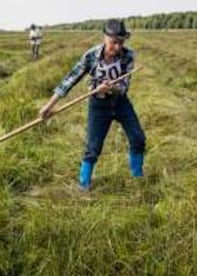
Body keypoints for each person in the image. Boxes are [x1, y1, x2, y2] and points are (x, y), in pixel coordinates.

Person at [39, 19, 146, 191]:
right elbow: (69, 80)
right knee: (93, 147)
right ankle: (84, 185)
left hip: (121, 103)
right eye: (114, 42)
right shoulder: (91, 56)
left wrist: (112, 88)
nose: (117, 47)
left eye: (121, 43)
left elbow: (125, 86)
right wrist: (49, 106)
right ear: (105, 38)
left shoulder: (128, 55)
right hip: (99, 106)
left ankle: (137, 177)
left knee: (138, 138)